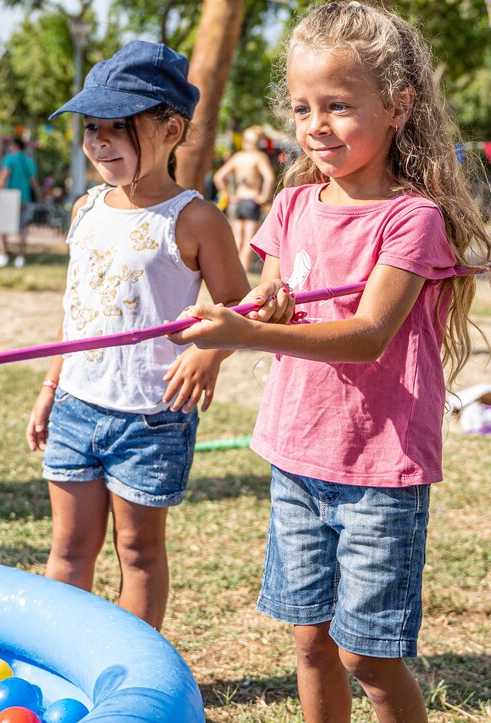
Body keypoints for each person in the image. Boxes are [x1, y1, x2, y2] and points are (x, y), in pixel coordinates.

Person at [167, 4, 491, 720]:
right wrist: (263, 306)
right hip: (297, 455)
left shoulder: (413, 218)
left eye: (340, 106)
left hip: (380, 469)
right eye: (305, 106)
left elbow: (369, 332)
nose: (316, 124)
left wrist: (246, 337)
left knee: (367, 654)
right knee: (310, 640)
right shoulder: (291, 205)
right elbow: (273, 296)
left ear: (398, 106)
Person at [26, 41, 250, 630]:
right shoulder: (85, 209)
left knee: (139, 554)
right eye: (90, 127)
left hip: (152, 416)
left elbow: (239, 309)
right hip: (77, 404)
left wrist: (210, 355)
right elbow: (77, 309)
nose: (98, 142)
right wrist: (51, 386)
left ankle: (135, 676)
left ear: (171, 128)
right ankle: (59, 655)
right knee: (70, 550)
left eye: (116, 128)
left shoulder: (195, 219)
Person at [213, 126, 276, 272]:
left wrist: (227, 194)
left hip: (237, 201)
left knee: (236, 239)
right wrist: (263, 196)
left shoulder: (238, 157)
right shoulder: (259, 157)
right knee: (248, 240)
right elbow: (269, 177)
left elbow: (219, 177)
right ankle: (241, 273)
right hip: (250, 201)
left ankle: (230, 272)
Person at [0, 137, 41, 268]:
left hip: (9, 196)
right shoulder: (30, 161)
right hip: (24, 198)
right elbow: (33, 182)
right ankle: (20, 257)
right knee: (22, 228)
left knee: (2, 226)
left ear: (14, 146)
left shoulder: (9, 159)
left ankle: (3, 254)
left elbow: (4, 177)